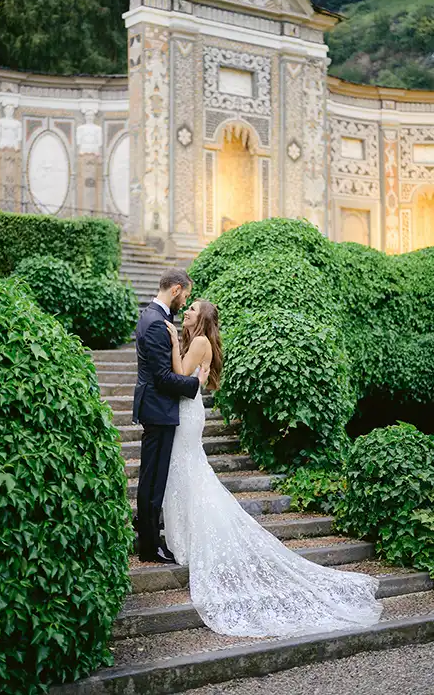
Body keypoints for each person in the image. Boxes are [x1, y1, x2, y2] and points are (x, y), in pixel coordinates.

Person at [162, 299, 383, 638]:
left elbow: (179, 374)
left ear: (202, 318)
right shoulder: (197, 342)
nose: (187, 311)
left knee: (191, 475)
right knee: (187, 476)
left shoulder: (201, 341)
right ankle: (187, 540)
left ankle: (195, 541)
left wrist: (175, 344)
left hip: (187, 417)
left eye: (192, 308)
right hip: (186, 412)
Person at [133, 268, 209, 563]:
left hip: (159, 408)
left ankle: (150, 540)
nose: (185, 302)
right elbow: (163, 377)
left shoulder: (155, 316)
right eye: (186, 295)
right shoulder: (155, 322)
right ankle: (150, 547)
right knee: (152, 481)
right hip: (158, 408)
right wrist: (195, 384)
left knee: (154, 479)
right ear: (176, 289)